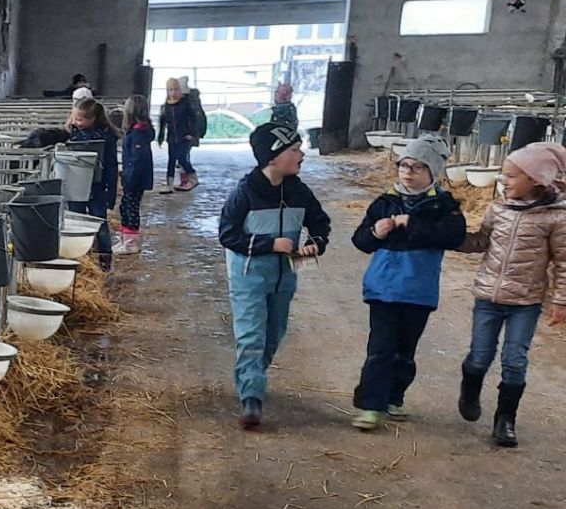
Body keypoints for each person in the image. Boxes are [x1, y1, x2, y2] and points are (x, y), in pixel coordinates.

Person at [348, 135, 466, 431]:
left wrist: (412, 224)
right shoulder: (384, 202)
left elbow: (453, 237)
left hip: (418, 290)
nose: (408, 172)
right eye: (403, 165)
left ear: (433, 171)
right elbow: (360, 241)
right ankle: (371, 406)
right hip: (383, 288)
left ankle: (394, 395)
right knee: (380, 348)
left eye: (417, 167)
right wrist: (375, 233)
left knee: (405, 351)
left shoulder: (443, 205)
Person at [217, 122, 331, 429]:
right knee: (251, 336)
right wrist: (269, 244)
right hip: (249, 278)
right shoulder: (245, 193)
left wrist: (315, 243)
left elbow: (320, 223)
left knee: (274, 333)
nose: (301, 155)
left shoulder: (299, 191)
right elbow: (227, 234)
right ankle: (251, 397)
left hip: (284, 278)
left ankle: (253, 376)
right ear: (272, 157)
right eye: (294, 150)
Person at [455, 142, 566, 447]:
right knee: (480, 356)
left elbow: (563, 262)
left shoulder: (556, 217)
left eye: (511, 176)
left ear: (536, 179)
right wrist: (451, 236)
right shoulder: (497, 209)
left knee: (515, 360)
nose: (503, 180)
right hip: (488, 298)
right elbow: (481, 242)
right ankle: (470, 388)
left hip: (525, 302)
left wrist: (560, 300)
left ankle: (505, 420)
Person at [65, 97, 120, 271]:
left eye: (80, 119)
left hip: (97, 187)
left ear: (93, 119)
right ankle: (80, 260)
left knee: (99, 222)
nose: (76, 122)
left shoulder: (106, 137)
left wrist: (111, 193)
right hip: (75, 187)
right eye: (74, 118)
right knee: (76, 223)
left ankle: (105, 261)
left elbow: (111, 166)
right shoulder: (69, 134)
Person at [117, 94, 154, 255]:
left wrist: (129, 178)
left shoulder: (138, 133)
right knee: (125, 207)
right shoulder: (137, 131)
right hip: (131, 176)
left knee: (131, 208)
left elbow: (138, 159)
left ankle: (131, 243)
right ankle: (125, 239)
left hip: (135, 179)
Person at [158, 77, 207, 193]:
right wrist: (160, 137)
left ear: (180, 90)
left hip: (184, 137)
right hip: (172, 138)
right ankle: (169, 185)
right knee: (171, 160)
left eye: (176, 89)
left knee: (182, 159)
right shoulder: (166, 106)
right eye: (170, 90)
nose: (173, 92)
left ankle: (193, 177)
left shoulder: (186, 103)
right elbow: (163, 122)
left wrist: (191, 133)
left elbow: (195, 118)